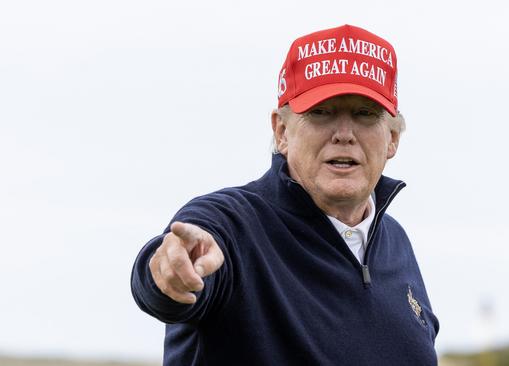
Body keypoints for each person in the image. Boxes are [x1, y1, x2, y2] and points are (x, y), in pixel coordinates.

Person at [131, 24, 439, 365]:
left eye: (365, 114)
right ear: (282, 131)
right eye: (321, 112)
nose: (344, 133)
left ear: (393, 138)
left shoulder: (395, 242)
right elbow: (167, 276)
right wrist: (167, 272)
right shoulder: (231, 224)